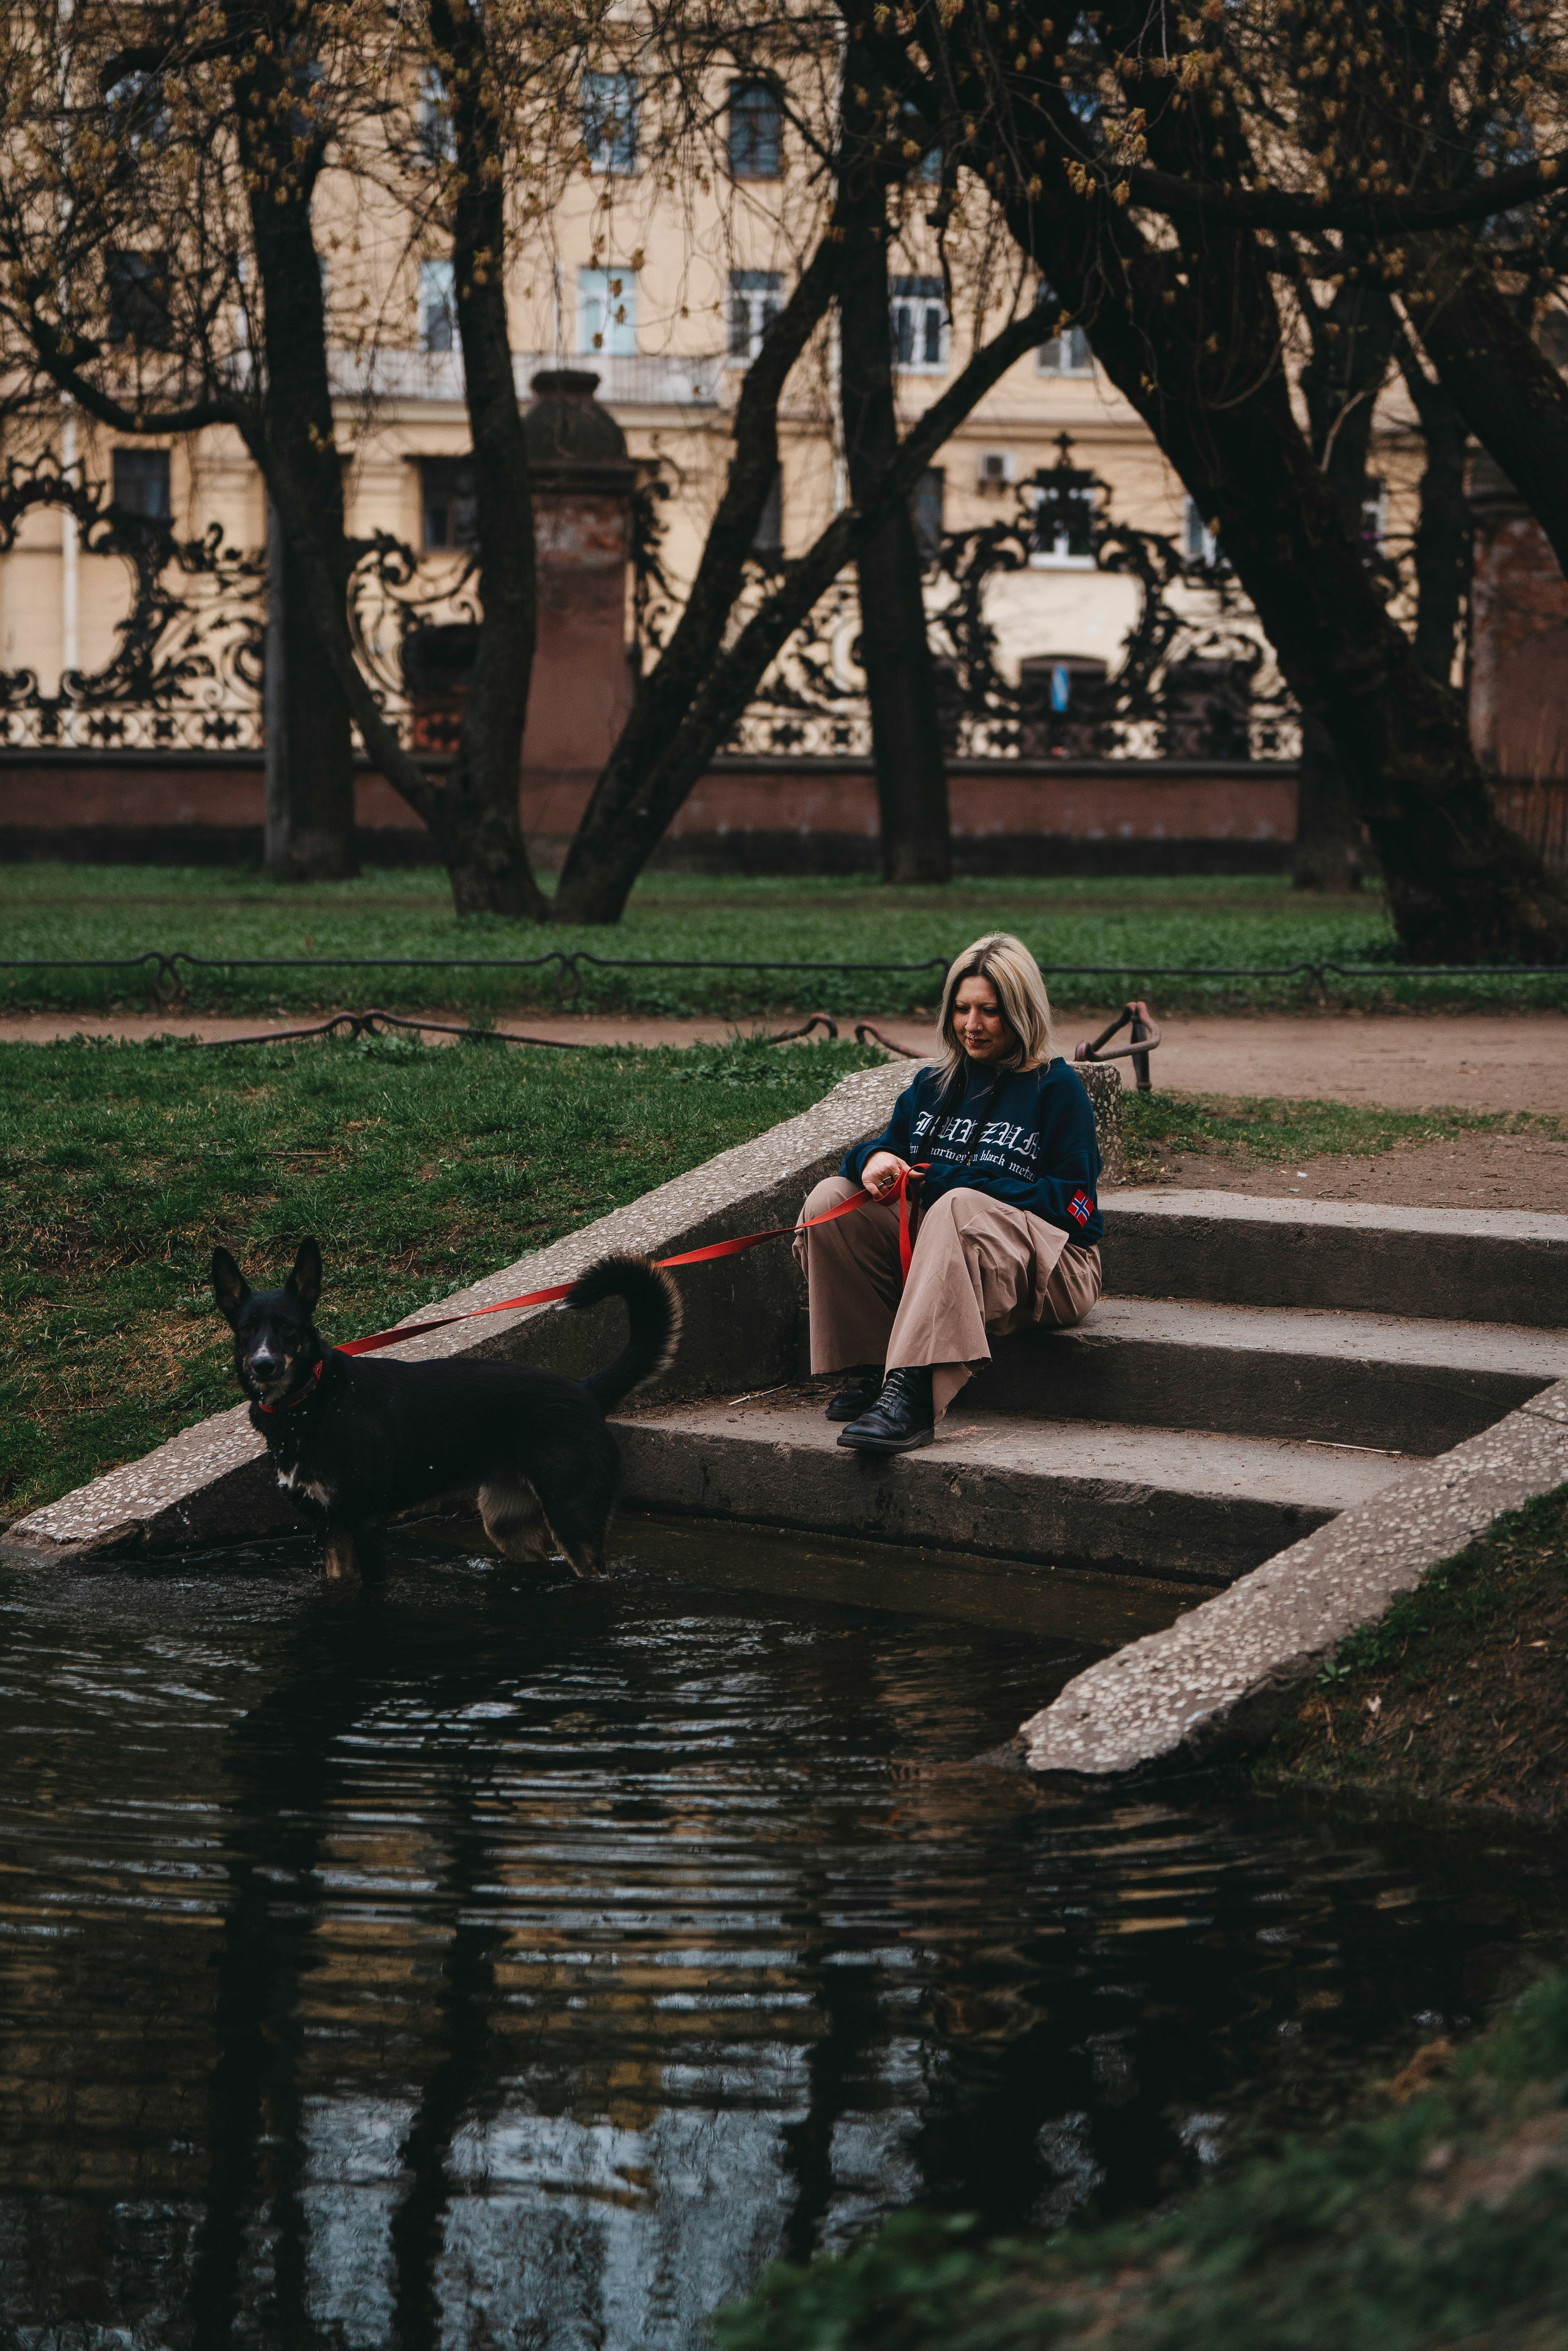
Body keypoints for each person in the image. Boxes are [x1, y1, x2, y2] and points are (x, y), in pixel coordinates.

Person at [794, 932, 1102, 1455]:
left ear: (1022, 1012)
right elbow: (883, 1153)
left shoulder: (1058, 1089)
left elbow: (1077, 1209)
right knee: (830, 1198)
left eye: (989, 1011)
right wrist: (874, 1161)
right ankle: (875, 1367)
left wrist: (962, 1184)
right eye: (961, 1009)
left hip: (1056, 1266)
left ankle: (911, 1394)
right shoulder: (932, 1085)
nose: (972, 1025)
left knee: (956, 1206)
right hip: (949, 1245)